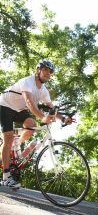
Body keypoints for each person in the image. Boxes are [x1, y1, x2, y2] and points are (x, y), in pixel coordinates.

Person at [0, 59, 72, 188]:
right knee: (9, 138)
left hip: (18, 110)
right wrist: (43, 117)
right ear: (38, 70)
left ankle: (15, 146)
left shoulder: (44, 91)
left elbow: (51, 108)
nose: (48, 73)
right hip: (4, 106)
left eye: (50, 71)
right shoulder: (27, 82)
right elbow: (29, 102)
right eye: (45, 70)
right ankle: (6, 177)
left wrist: (63, 118)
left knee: (31, 124)